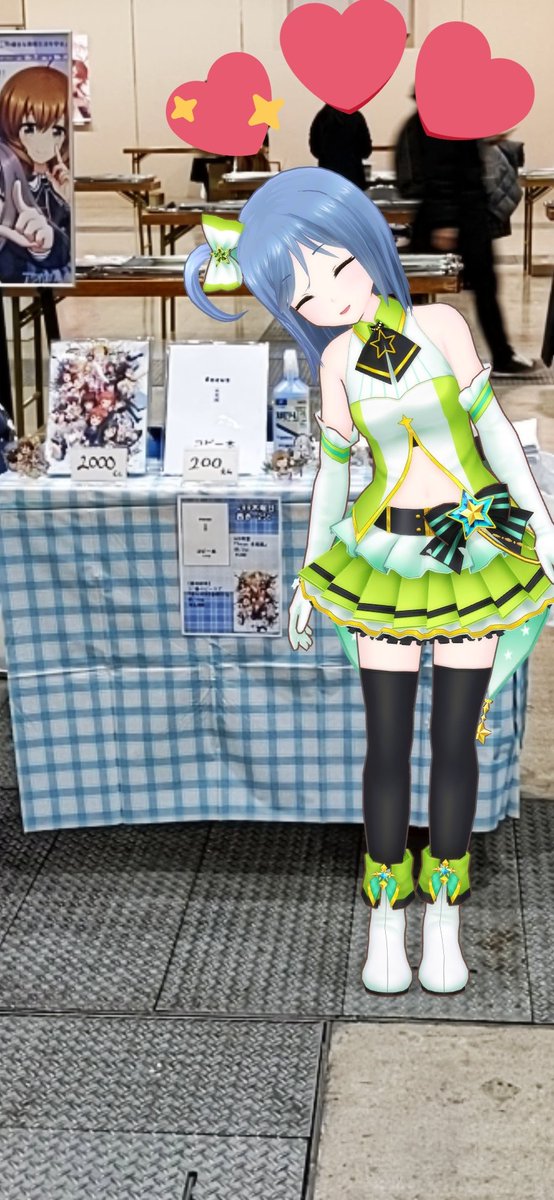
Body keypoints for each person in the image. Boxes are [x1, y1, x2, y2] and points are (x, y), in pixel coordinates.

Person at [184, 168, 554, 996]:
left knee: (454, 741)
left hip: (471, 554)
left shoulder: (443, 325)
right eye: (304, 295)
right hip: (384, 559)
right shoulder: (336, 363)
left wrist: (542, 526)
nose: (331, 299)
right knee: (386, 745)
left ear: (368, 244)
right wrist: (310, 574)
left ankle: (445, 916)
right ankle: (386, 920)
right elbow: (333, 478)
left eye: (338, 267)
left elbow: (496, 435)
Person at [395, 108, 535, 377]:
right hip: (457, 217)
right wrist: (446, 221)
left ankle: (501, 355)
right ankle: (501, 357)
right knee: (476, 286)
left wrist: (484, 138)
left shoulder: (446, 116)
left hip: (463, 214)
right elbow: (441, 171)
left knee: (480, 287)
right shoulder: (438, 118)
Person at [309, 104, 371, 190]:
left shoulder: (322, 117)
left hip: (328, 174)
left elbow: (315, 148)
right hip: (353, 175)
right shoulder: (356, 116)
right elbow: (365, 150)